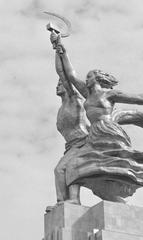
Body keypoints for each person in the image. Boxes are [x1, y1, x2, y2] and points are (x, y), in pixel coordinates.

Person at [51, 33, 143, 214]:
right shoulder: (88, 94)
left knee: (129, 166)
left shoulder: (110, 95)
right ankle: (74, 199)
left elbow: (140, 99)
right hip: (95, 134)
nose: (86, 79)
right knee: (76, 165)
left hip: (110, 132)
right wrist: (60, 49)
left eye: (89, 76)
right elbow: (69, 74)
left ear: (96, 78)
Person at [52, 36, 90, 205]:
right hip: (70, 146)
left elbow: (63, 72)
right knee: (63, 170)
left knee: (60, 170)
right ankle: (65, 202)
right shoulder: (61, 109)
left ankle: (67, 202)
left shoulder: (74, 99)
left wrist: (58, 49)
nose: (58, 85)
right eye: (58, 84)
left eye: (61, 83)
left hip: (83, 142)